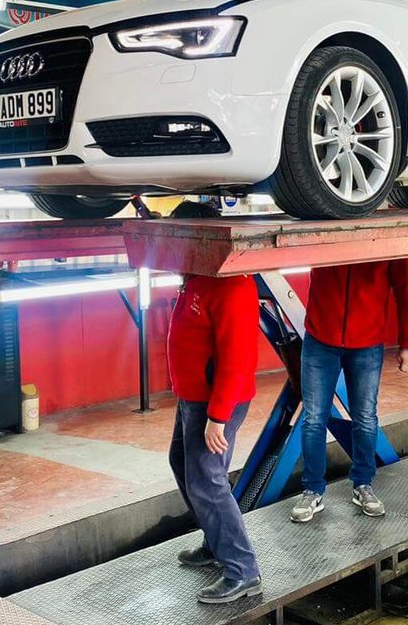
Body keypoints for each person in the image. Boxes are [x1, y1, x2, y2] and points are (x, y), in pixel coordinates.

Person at [164, 200, 263, 605]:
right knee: (182, 464)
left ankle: (242, 570)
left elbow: (237, 358)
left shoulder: (232, 284)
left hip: (216, 402)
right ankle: (215, 542)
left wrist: (218, 417)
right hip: (193, 397)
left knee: (207, 481)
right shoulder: (198, 275)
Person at [290, 259, 408, 523]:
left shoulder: (390, 243)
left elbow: (406, 291)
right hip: (320, 339)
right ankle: (312, 490)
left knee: (365, 418)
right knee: (313, 419)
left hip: (367, 344)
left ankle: (363, 484)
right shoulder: (326, 235)